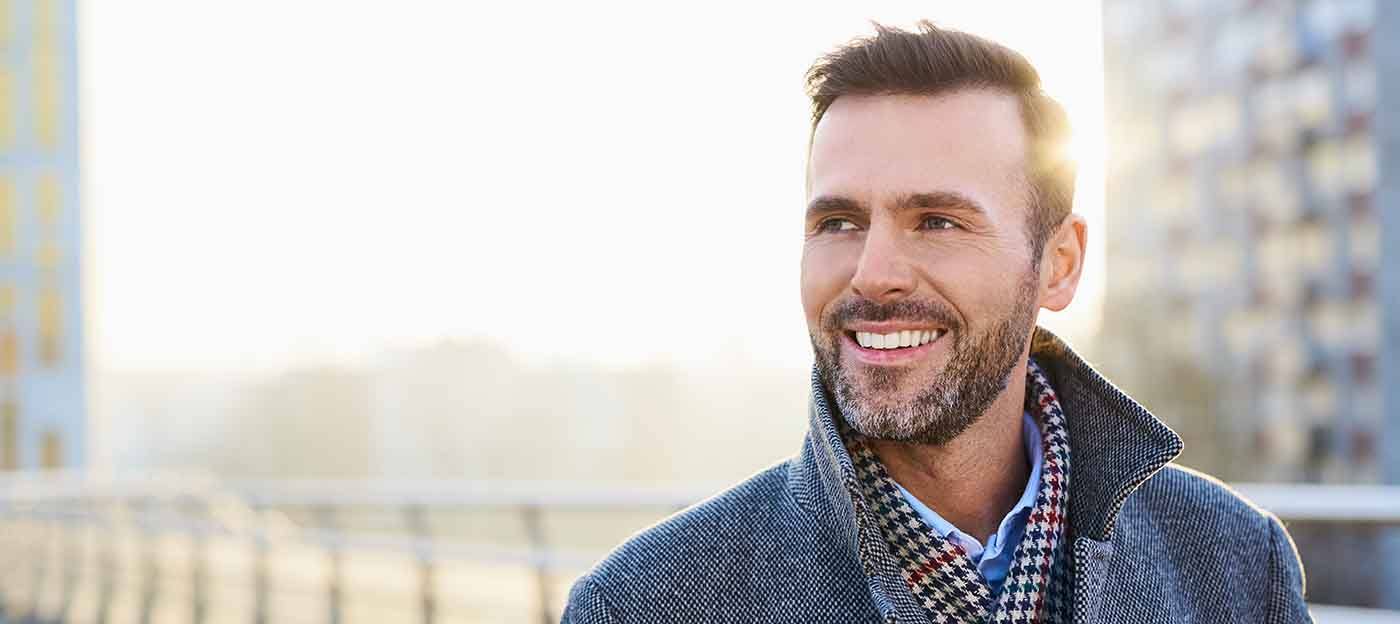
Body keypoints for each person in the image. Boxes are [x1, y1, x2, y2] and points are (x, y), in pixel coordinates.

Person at [562, 21, 1310, 623]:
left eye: (938, 221)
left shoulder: (1235, 566)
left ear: (1058, 263)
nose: (873, 272)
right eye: (839, 221)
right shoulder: (645, 603)